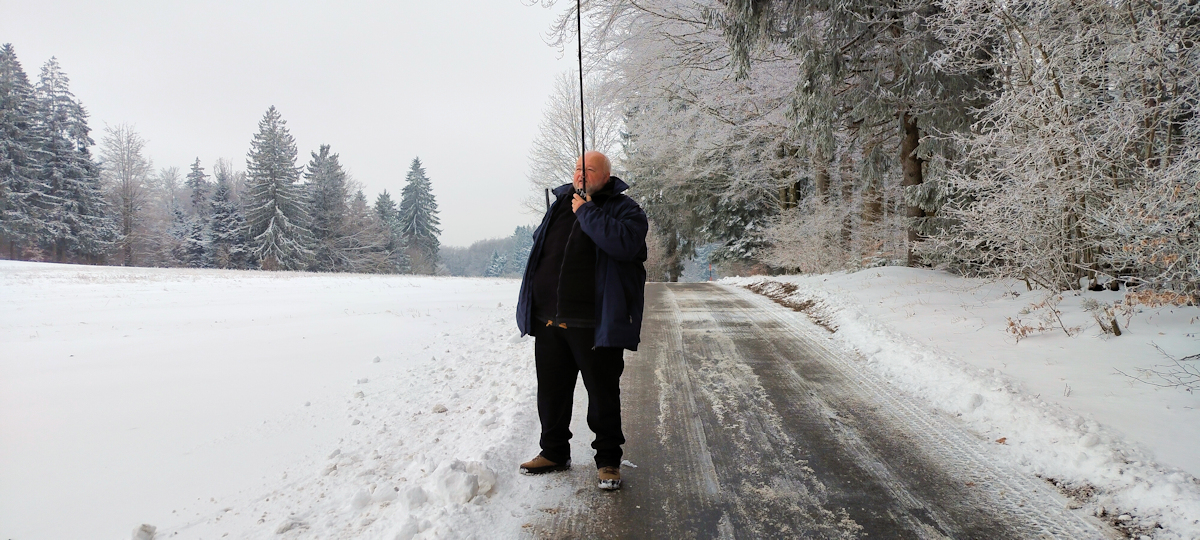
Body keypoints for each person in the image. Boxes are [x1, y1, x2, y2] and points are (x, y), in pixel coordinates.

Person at [514, 150, 648, 491]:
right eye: (578, 169)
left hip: (595, 324)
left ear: (607, 175)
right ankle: (554, 452)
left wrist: (587, 211)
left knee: (602, 396)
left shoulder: (625, 210)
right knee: (552, 394)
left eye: (589, 169)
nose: (581, 174)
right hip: (550, 320)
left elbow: (624, 245)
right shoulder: (560, 204)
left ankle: (608, 461)